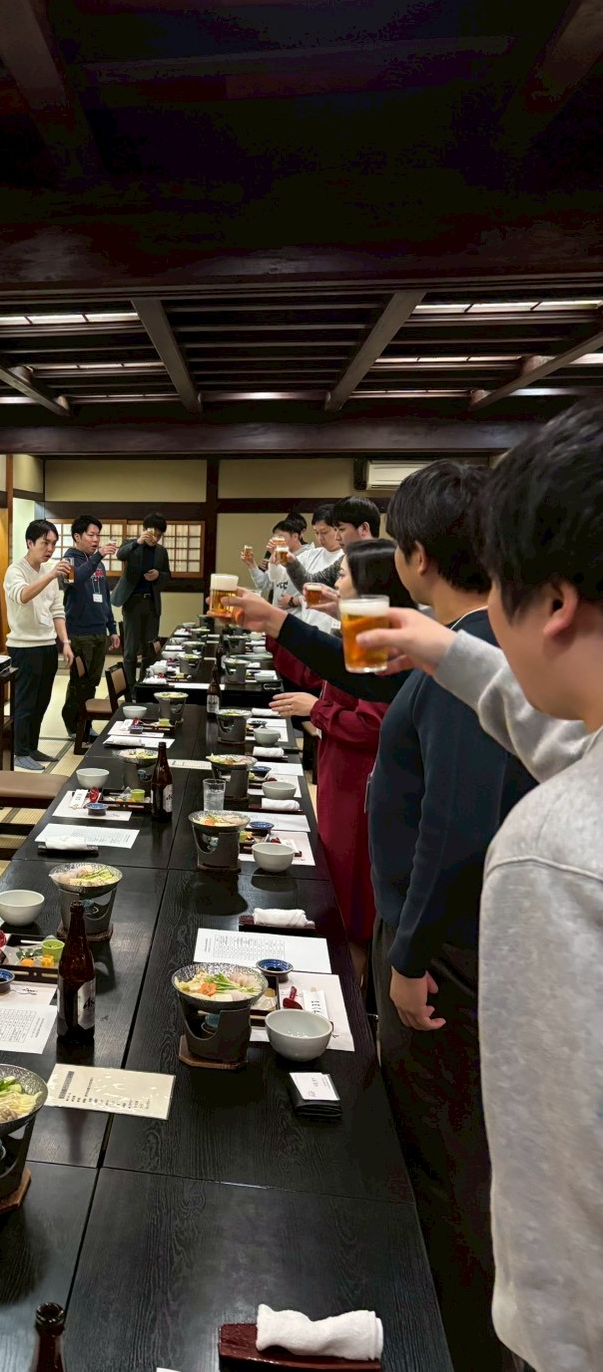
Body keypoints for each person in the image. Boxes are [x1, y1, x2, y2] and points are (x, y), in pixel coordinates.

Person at [229, 463, 533, 1372]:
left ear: (417, 555)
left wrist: (407, 954)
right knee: (439, 1151)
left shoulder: (470, 657)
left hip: (446, 958)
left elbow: (454, 824)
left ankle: (452, 1340)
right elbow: (360, 667)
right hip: (457, 945)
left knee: (443, 1165)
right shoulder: (462, 644)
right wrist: (283, 622)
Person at [355, 401, 603, 1372]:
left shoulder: (553, 850)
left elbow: (552, 1184)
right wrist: (439, 649)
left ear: (554, 603)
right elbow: (561, 737)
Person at [268, 540, 414, 981]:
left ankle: (350, 994)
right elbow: (320, 673)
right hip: (338, 773)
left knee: (351, 900)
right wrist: (275, 629)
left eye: (345, 573)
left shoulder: (385, 646)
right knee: (334, 873)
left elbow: (373, 724)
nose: (336, 581)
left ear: (371, 585)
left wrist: (316, 710)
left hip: (359, 782)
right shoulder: (362, 633)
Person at [4, 520, 74, 770]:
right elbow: (23, 595)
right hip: (23, 647)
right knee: (25, 701)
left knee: (42, 700)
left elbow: (57, 611)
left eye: (53, 544)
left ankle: (32, 747)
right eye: (45, 543)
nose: (50, 549)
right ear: (30, 543)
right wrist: (51, 575)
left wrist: (65, 642)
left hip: (47, 645)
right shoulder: (16, 571)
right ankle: (20, 751)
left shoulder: (48, 571)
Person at [61, 514, 120, 745]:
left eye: (98, 535)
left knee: (93, 681)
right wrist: (97, 556)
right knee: (79, 681)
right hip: (79, 631)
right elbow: (75, 580)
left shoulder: (98, 563)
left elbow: (105, 598)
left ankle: (86, 723)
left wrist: (112, 628)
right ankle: (73, 723)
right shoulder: (69, 560)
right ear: (77, 536)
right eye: (91, 535)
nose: (96, 539)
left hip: (99, 631)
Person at [113, 512, 171, 695]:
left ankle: (144, 686)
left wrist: (158, 575)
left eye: (159, 536)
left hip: (152, 603)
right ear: (145, 530)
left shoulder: (161, 552)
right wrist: (138, 542)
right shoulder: (131, 544)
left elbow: (167, 575)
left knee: (150, 649)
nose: (156, 539)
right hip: (132, 602)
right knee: (130, 651)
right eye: (154, 534)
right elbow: (120, 555)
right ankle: (131, 690)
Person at [285, 494, 381, 595]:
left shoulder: (386, 560)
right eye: (336, 529)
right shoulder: (345, 559)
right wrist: (291, 562)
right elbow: (311, 584)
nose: (337, 537)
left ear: (364, 528)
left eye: (341, 529)